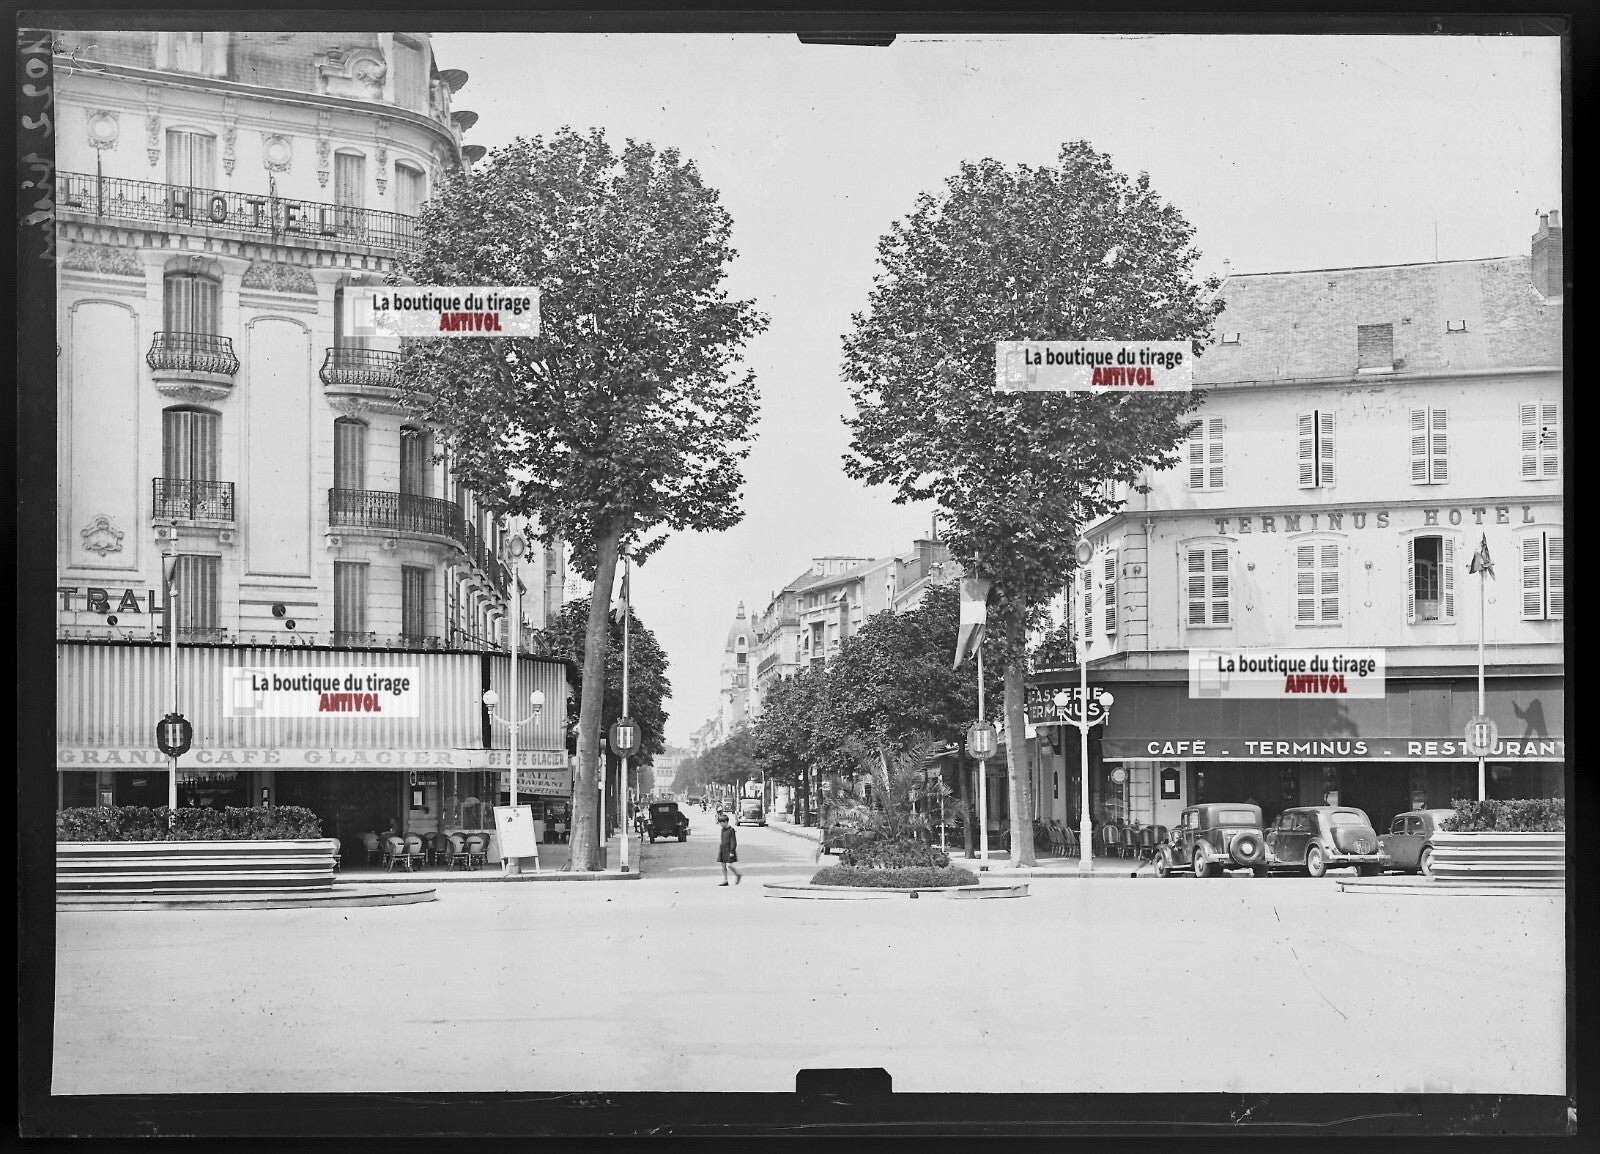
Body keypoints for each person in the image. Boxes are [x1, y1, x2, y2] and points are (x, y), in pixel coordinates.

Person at [716, 812, 741, 885]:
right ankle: (725, 880)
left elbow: (733, 841)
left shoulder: (731, 830)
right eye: (719, 823)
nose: (720, 824)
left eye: (721, 823)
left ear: (726, 822)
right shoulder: (722, 830)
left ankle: (737, 875)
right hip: (722, 849)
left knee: (729, 865)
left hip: (729, 850)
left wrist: (732, 851)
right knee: (723, 866)